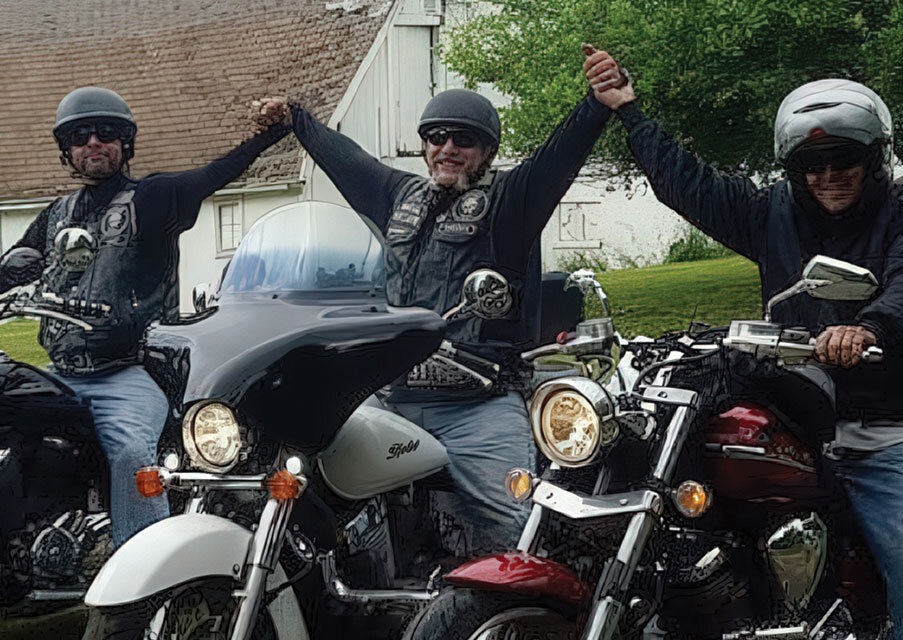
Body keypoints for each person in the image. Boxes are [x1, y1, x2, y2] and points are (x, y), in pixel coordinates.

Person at [586, 55, 903, 637]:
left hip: (889, 428)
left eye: (844, 160)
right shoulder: (772, 215)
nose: (829, 174)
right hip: (796, 414)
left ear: (873, 159)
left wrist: (869, 328)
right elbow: (693, 186)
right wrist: (630, 114)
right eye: (812, 164)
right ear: (793, 170)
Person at [252, 54, 619, 553]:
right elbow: (345, 159)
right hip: (391, 399)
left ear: (486, 150)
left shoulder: (511, 201)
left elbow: (557, 159)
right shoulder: (398, 195)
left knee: (514, 534)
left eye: (462, 140)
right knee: (311, 496)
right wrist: (297, 118)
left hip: (479, 408)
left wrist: (596, 105)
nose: (447, 149)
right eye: (436, 137)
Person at [0, 87, 290, 546]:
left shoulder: (153, 199)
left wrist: (273, 133)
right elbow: (17, 264)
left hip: (130, 371)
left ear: (125, 144)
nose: (93, 142)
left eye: (106, 133)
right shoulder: (57, 215)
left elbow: (217, 173)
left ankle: (145, 572)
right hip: (64, 371)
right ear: (67, 150)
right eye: (80, 135)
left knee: (131, 450)